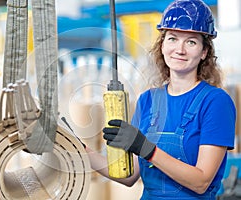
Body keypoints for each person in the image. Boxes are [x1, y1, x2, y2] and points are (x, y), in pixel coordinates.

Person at [85, 0, 236, 199]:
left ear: (204, 52)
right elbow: (129, 176)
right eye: (172, 39)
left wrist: (146, 148)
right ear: (162, 45)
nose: (179, 49)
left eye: (191, 41)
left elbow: (201, 182)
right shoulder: (148, 100)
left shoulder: (216, 102)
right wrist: (75, 148)